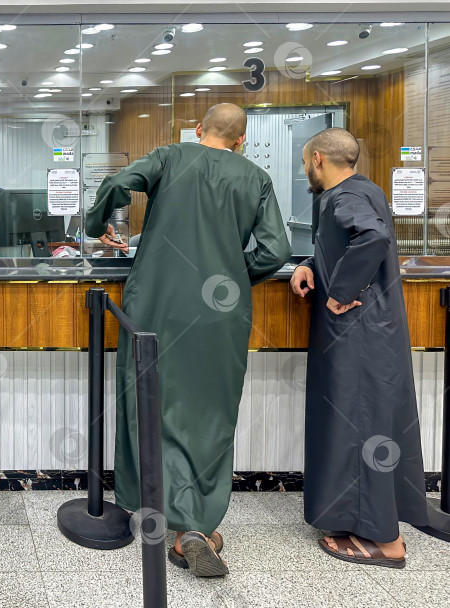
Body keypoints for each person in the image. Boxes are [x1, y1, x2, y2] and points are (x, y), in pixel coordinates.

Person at [86, 103, 291, 577]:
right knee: (210, 413)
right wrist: (235, 279)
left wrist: (99, 223)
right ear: (242, 140)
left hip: (156, 305)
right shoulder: (255, 178)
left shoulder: (170, 157)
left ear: (198, 130)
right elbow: (276, 250)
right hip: (219, 315)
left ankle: (156, 507)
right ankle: (195, 526)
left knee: (152, 403)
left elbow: (118, 183)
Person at [290, 127, 427, 568]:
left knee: (363, 424)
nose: (303, 168)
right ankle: (364, 521)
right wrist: (312, 264)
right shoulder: (365, 189)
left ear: (317, 159)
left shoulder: (342, 198)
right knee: (363, 424)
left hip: (359, 334)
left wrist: (341, 288)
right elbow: (351, 241)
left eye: (304, 161)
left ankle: (386, 543)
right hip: (372, 331)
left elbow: (371, 238)